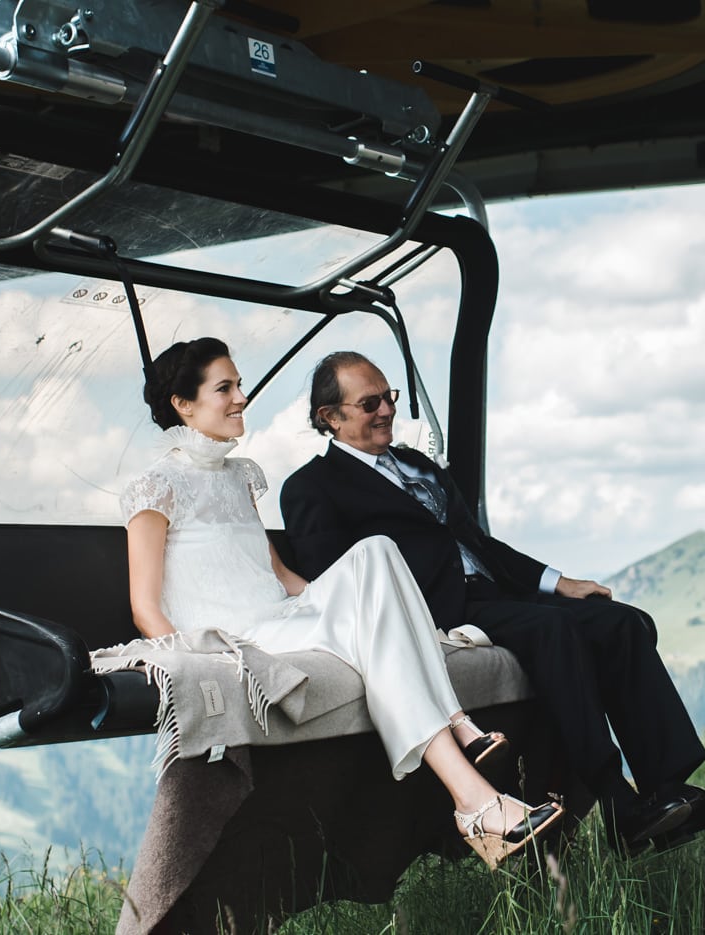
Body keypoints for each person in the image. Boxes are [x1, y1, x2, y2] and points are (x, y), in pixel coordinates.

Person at [279, 351, 705, 853]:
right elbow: (334, 579)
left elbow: (479, 543)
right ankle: (620, 805)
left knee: (624, 623)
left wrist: (557, 581)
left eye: (389, 397)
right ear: (329, 418)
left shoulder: (417, 465)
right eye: (369, 403)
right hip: (439, 610)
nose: (386, 410)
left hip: (495, 590)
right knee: (556, 631)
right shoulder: (312, 487)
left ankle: (669, 789)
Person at [117, 337, 563, 870]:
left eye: (238, 384)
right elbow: (145, 608)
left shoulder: (240, 476)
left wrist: (358, 601)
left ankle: (465, 766)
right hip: (239, 638)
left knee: (376, 552)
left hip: (282, 617)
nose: (241, 397)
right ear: (183, 405)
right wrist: (192, 663)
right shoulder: (156, 486)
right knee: (375, 602)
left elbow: (280, 575)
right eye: (225, 388)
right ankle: (472, 791)